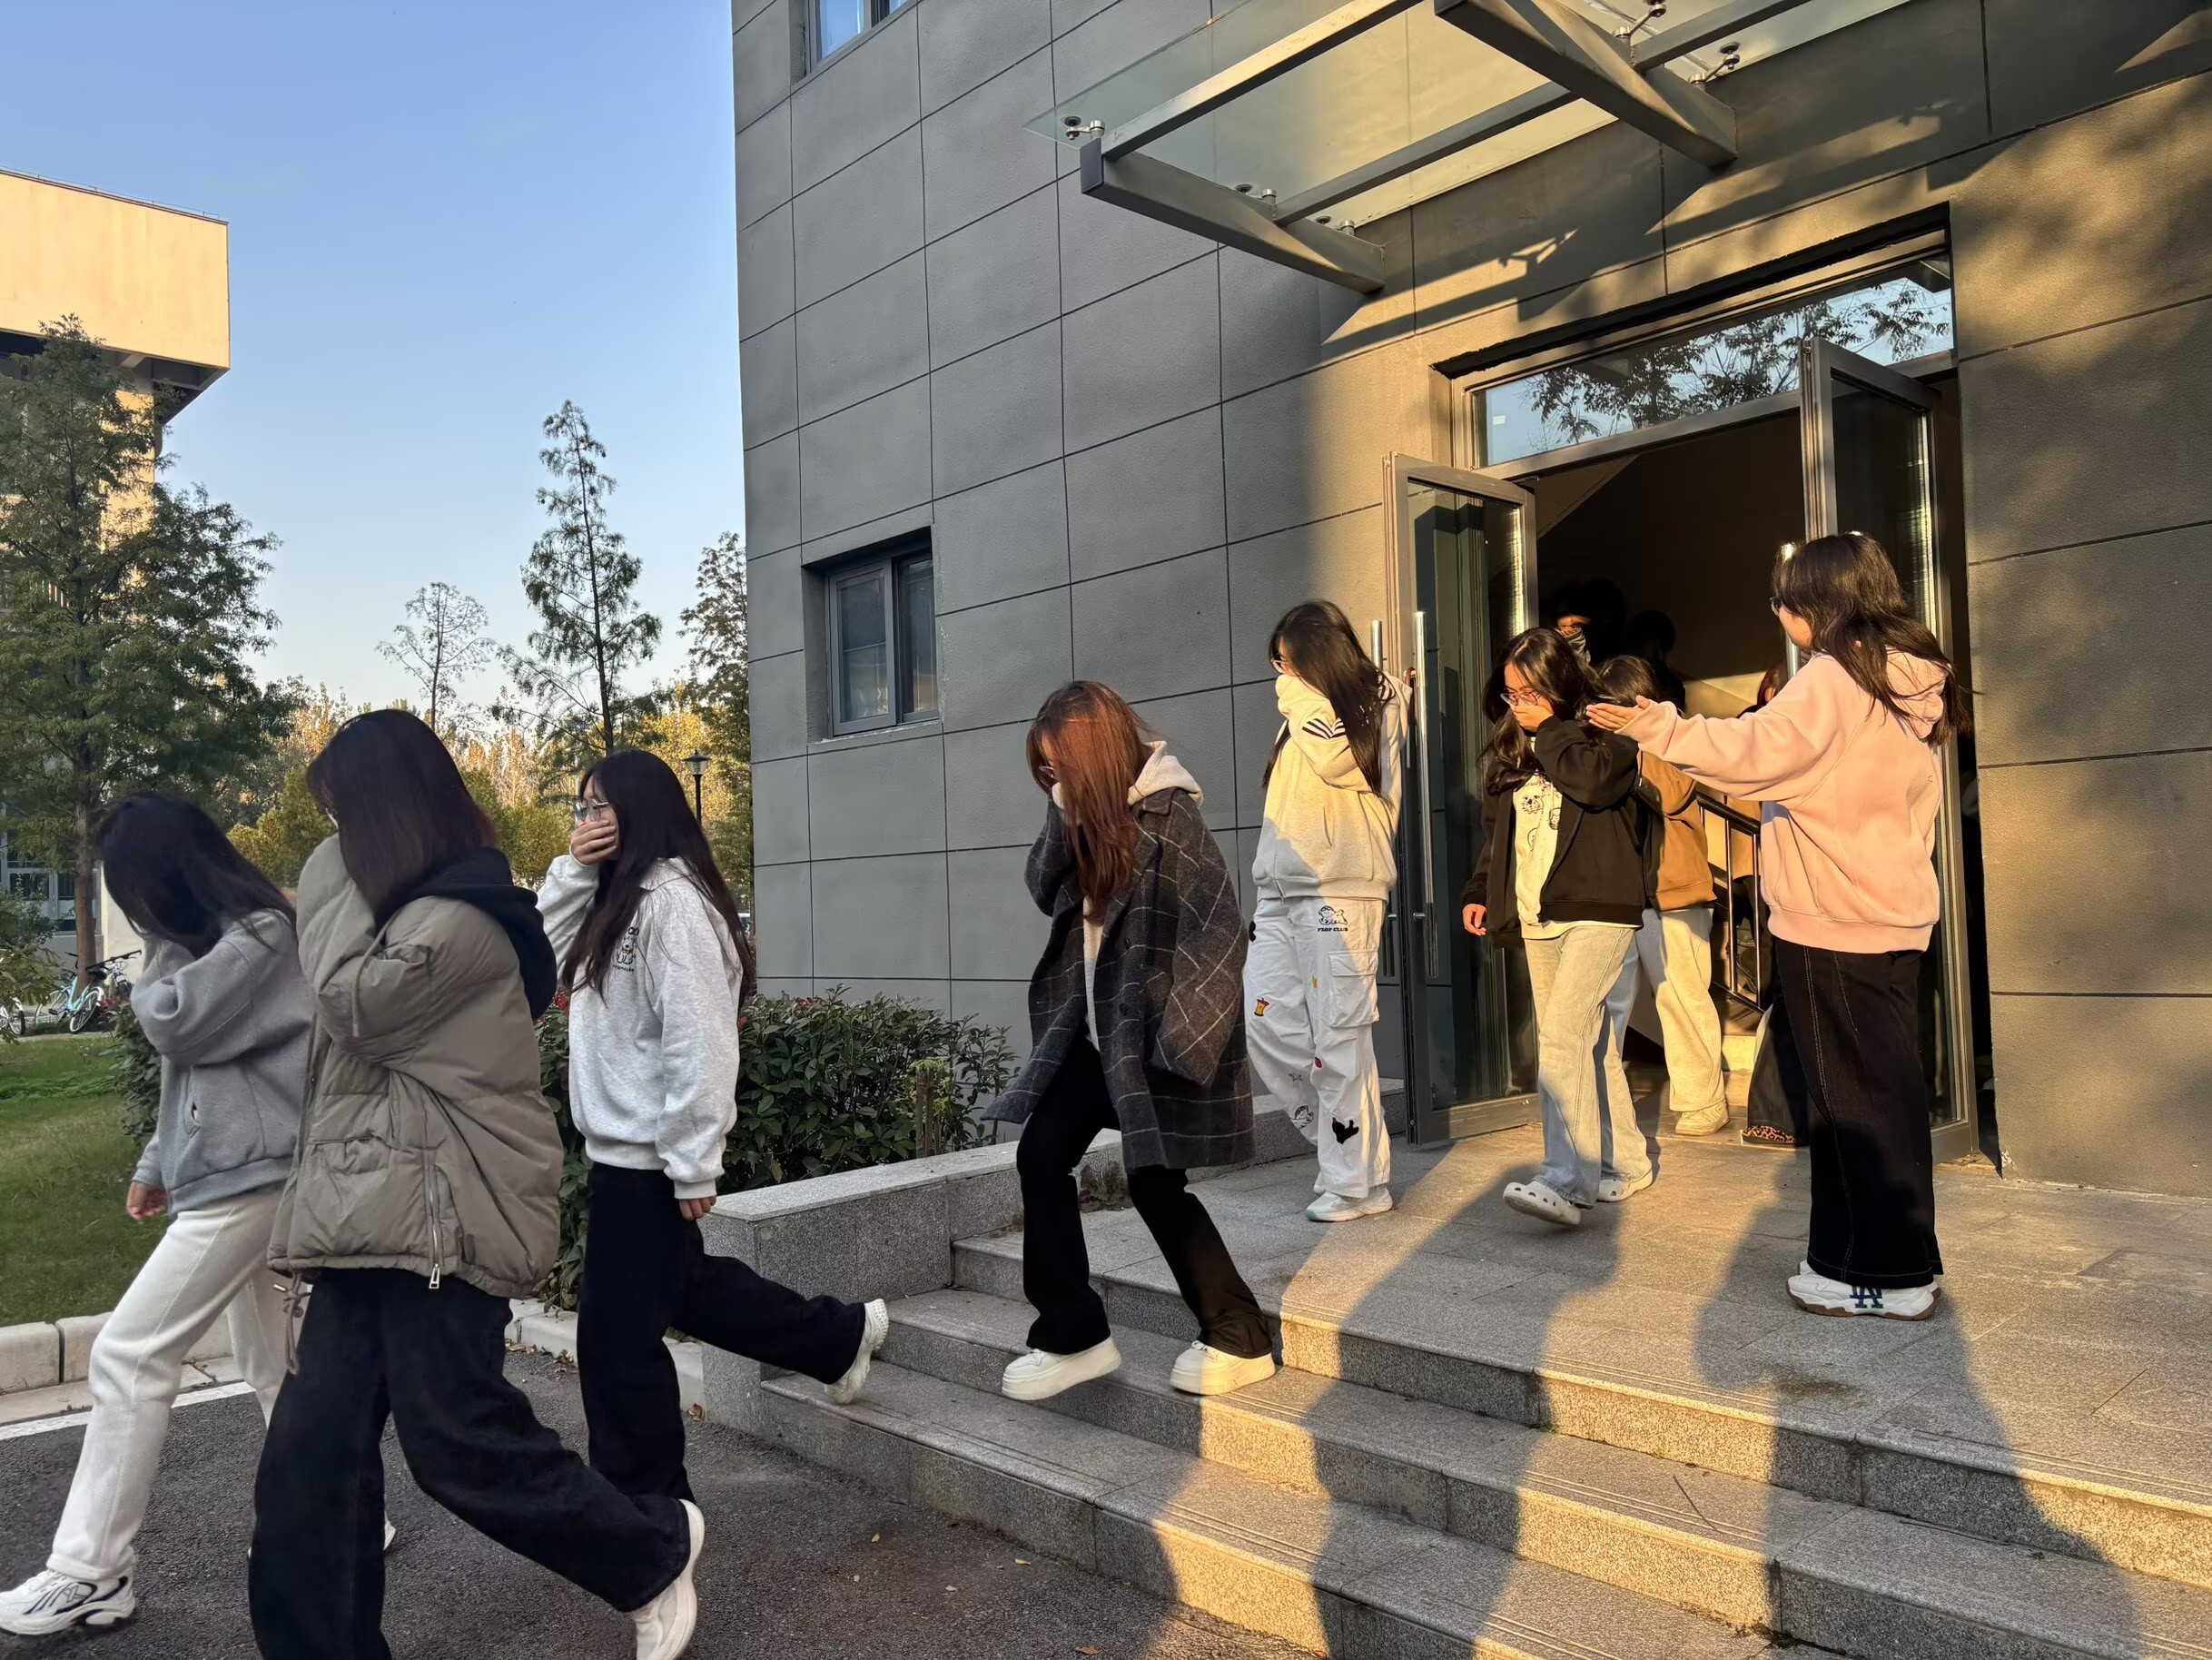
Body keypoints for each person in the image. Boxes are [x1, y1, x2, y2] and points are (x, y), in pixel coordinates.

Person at [249, 711, 706, 1660]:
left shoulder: (460, 919)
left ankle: (652, 1550)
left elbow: (355, 1006)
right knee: (308, 1461)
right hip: (364, 1217)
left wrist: (324, 874)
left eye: (339, 816)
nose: (332, 838)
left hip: (442, 1220)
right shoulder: (396, 917)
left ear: (382, 813)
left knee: (459, 1445)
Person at [1589, 532, 1968, 1319]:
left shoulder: (1834, 677)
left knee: (1847, 1105)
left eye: (1784, 601)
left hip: (1834, 919)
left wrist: (1660, 728)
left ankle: (1879, 1275)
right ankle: (1884, 1265)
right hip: (1891, 914)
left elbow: (1754, 750)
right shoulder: (1906, 679)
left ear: (1816, 605)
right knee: (1883, 1096)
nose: (1779, 614)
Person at [538, 749, 887, 1505]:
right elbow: (542, 962)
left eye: (600, 806)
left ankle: (653, 1518)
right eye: (581, 807)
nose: (587, 819)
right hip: (621, 1153)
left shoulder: (674, 905)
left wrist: (694, 1159)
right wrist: (571, 872)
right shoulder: (610, 897)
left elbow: (699, 1042)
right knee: (686, 1291)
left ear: (640, 810)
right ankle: (839, 1336)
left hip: (648, 1159)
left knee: (615, 1345)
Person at [0, 796, 309, 1637]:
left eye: (131, 888)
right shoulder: (218, 941)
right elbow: (199, 1074)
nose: (132, 909)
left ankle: (89, 1571)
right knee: (273, 1365)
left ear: (168, 876)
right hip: (237, 1169)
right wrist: (155, 1164)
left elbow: (172, 1023)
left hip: (256, 1176)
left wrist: (161, 947)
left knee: (130, 1352)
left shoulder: (263, 936)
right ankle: (335, 1518)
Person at [987, 682, 1276, 1400]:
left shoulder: (1170, 816)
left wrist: (1181, 1043)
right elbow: (1040, 886)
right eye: (1046, 769)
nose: (1053, 778)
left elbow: (1216, 934)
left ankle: (1239, 1337)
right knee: (1041, 1157)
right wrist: (1064, 809)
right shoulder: (1084, 816)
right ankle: (1074, 1335)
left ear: (1093, 754)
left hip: (1153, 1039)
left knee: (1155, 1184)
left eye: (1060, 765)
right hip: (1094, 1037)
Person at [1461, 629, 1654, 1228]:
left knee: (1563, 1039)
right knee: (1582, 1043)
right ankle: (1626, 1162)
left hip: (1600, 908)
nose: (1520, 705)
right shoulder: (1512, 749)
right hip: (1537, 914)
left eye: (1531, 692)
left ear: (1559, 684)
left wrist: (1550, 727)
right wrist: (1480, 891)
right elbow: (1499, 838)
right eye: (1512, 693)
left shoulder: (1608, 734)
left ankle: (1566, 1180)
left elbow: (1593, 784)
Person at [1245, 601, 1407, 1223]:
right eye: (1277, 663)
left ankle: (1358, 1182)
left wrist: (1296, 692)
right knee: (1265, 1022)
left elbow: (1340, 761)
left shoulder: (1375, 701)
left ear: (1317, 656)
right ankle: (1345, 1148)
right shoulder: (1301, 714)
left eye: (1286, 660)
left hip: (1340, 891)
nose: (1279, 673)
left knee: (1338, 1036)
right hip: (1280, 893)